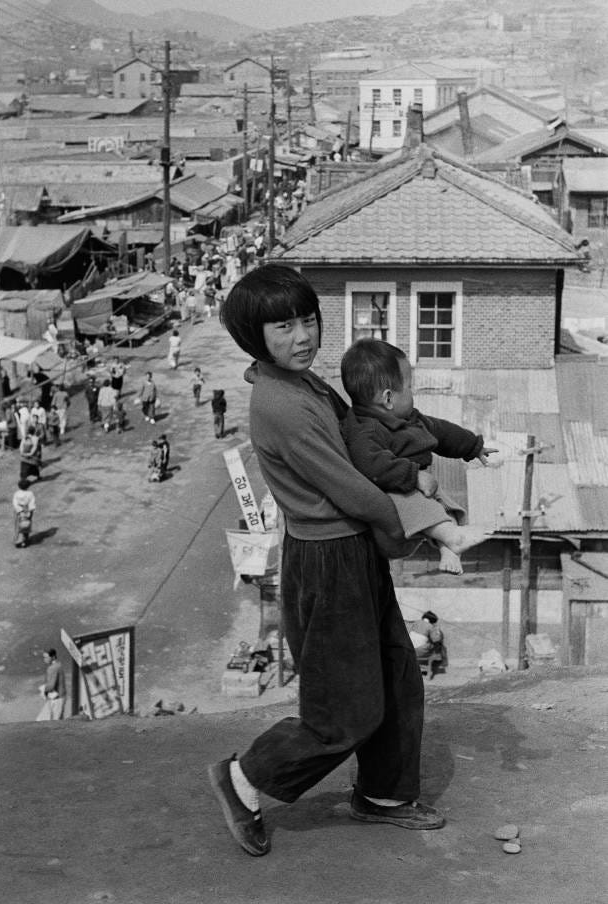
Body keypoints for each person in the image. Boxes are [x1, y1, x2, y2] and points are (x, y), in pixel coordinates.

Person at [208, 263, 442, 859]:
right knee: (344, 709)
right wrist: (415, 523)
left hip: (352, 550)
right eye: (282, 327)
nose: (302, 336)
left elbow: (365, 442)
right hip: (329, 558)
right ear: (253, 337)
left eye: (308, 320)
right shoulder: (281, 404)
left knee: (396, 676)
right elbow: (354, 488)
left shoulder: (306, 383)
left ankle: (384, 796)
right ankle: (245, 779)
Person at [340, 339, 496, 574]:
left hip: (418, 481)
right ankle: (451, 537)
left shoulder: (410, 419)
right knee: (419, 506)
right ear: (388, 398)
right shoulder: (366, 431)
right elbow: (372, 465)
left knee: (447, 506)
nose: (413, 393)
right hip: (394, 491)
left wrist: (472, 447)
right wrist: (414, 478)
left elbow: (441, 432)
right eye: (410, 387)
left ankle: (448, 548)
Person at [36, 648, 67, 721]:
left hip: (57, 699)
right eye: (44, 657)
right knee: (55, 720)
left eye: (46, 657)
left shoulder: (53, 668)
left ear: (53, 657)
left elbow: (51, 686)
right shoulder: (59, 665)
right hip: (58, 698)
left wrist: (42, 689)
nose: (44, 659)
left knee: (53, 722)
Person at [12, 478, 36, 547]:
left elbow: (15, 503)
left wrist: (20, 511)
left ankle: (17, 540)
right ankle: (25, 541)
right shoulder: (30, 493)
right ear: (28, 486)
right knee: (26, 525)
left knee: (18, 525)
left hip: (18, 511)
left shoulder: (16, 493)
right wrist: (30, 512)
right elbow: (32, 503)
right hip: (27, 509)